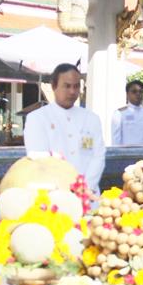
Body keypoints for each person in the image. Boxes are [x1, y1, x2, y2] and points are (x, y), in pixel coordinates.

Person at [24, 63, 105, 192]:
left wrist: (86, 187)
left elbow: (98, 156)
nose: (72, 91)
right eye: (67, 86)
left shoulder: (91, 118)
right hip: (54, 195)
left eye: (76, 86)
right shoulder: (37, 118)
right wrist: (63, 190)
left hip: (88, 194)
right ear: (54, 86)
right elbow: (38, 158)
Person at [111, 80, 143, 146]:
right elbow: (116, 141)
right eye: (134, 91)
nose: (138, 94)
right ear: (127, 94)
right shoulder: (119, 114)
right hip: (128, 155)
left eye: (140, 91)